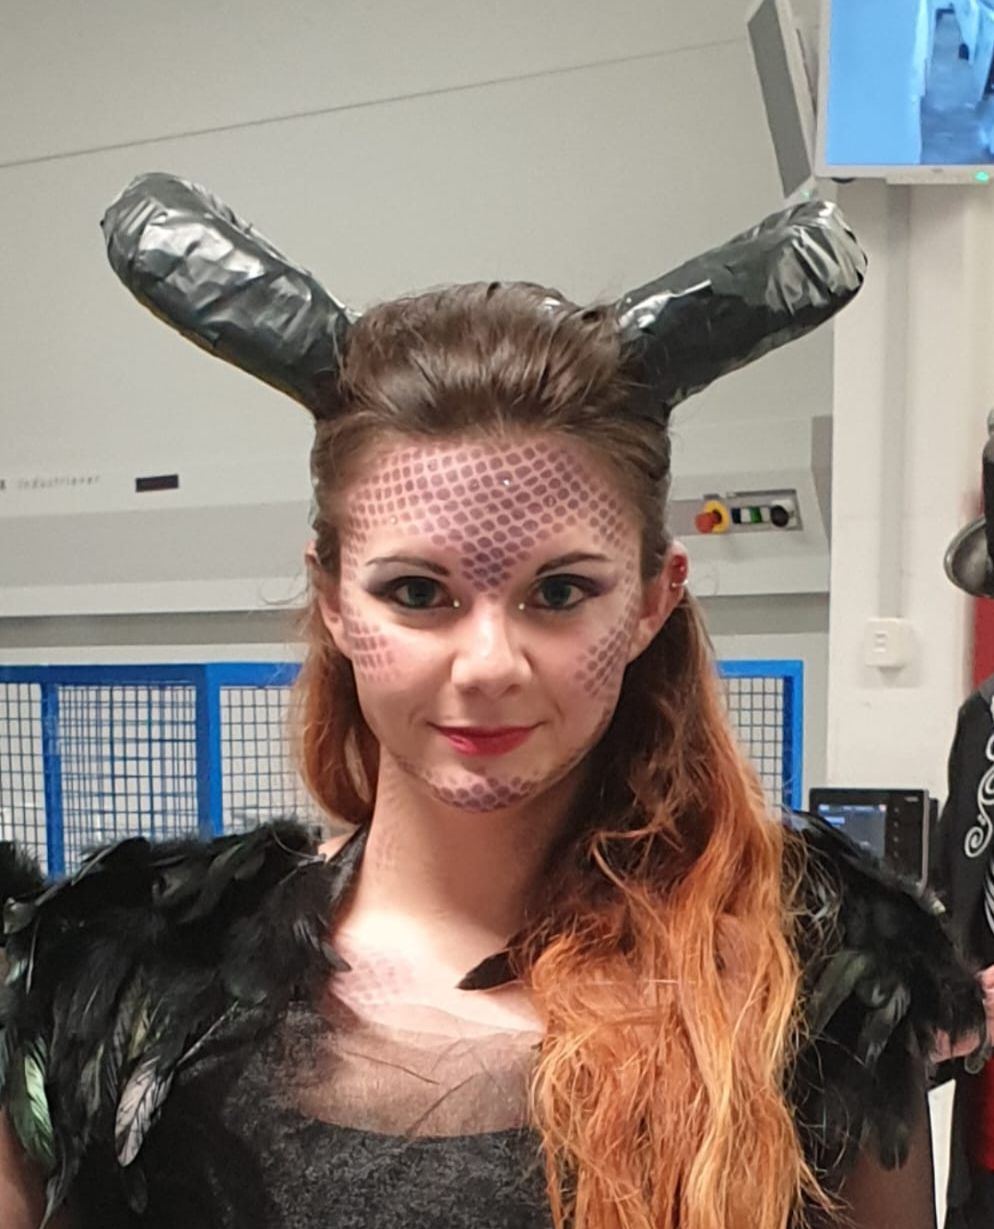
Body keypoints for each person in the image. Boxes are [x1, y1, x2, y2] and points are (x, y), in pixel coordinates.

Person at [0, 174, 986, 1229]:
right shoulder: (110, 993)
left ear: (653, 599)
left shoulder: (813, 989)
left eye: (558, 593)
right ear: (333, 598)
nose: (486, 664)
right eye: (415, 593)